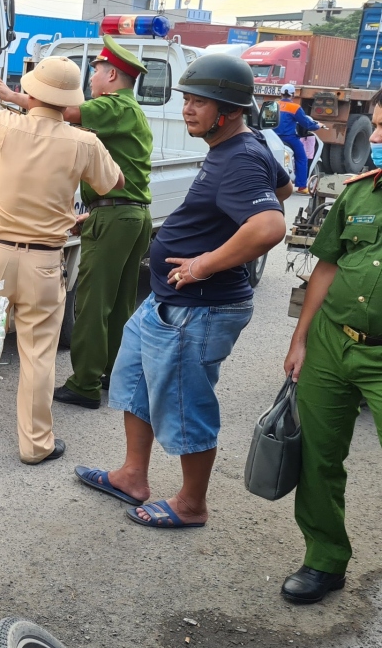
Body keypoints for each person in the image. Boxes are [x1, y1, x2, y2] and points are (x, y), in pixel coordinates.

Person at [76, 55, 290, 529]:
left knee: (183, 403)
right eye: (187, 100)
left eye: (199, 103)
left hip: (199, 308)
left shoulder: (239, 158)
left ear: (230, 110)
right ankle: (132, 475)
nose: (188, 110)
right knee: (134, 383)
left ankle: (192, 504)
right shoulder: (241, 144)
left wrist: (204, 263)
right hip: (168, 302)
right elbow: (284, 187)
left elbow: (271, 223)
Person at [0, 57, 124, 464]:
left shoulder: (1, 124)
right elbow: (115, 182)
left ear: (30, 93)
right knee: (38, 357)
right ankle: (35, 445)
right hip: (45, 262)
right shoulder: (84, 141)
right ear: (68, 102)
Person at [280, 90, 382, 603]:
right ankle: (324, 559)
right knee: (318, 456)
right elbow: (327, 266)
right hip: (331, 343)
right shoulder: (360, 193)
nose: (377, 139)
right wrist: (300, 341)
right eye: (379, 126)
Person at [44, 36, 155, 410]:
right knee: (120, 303)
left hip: (117, 214)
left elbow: (66, 115)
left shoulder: (115, 106)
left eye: (94, 72)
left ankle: (85, 384)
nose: (90, 80)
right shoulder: (129, 110)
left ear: (111, 75)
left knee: (92, 303)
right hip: (130, 214)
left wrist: (14, 99)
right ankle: (111, 373)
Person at [277, 84, 323, 192]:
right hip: (288, 138)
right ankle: (302, 186)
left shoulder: (274, 105)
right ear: (293, 94)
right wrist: (317, 126)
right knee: (302, 158)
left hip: (273, 137)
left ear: (281, 93)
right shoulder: (295, 107)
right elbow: (306, 123)